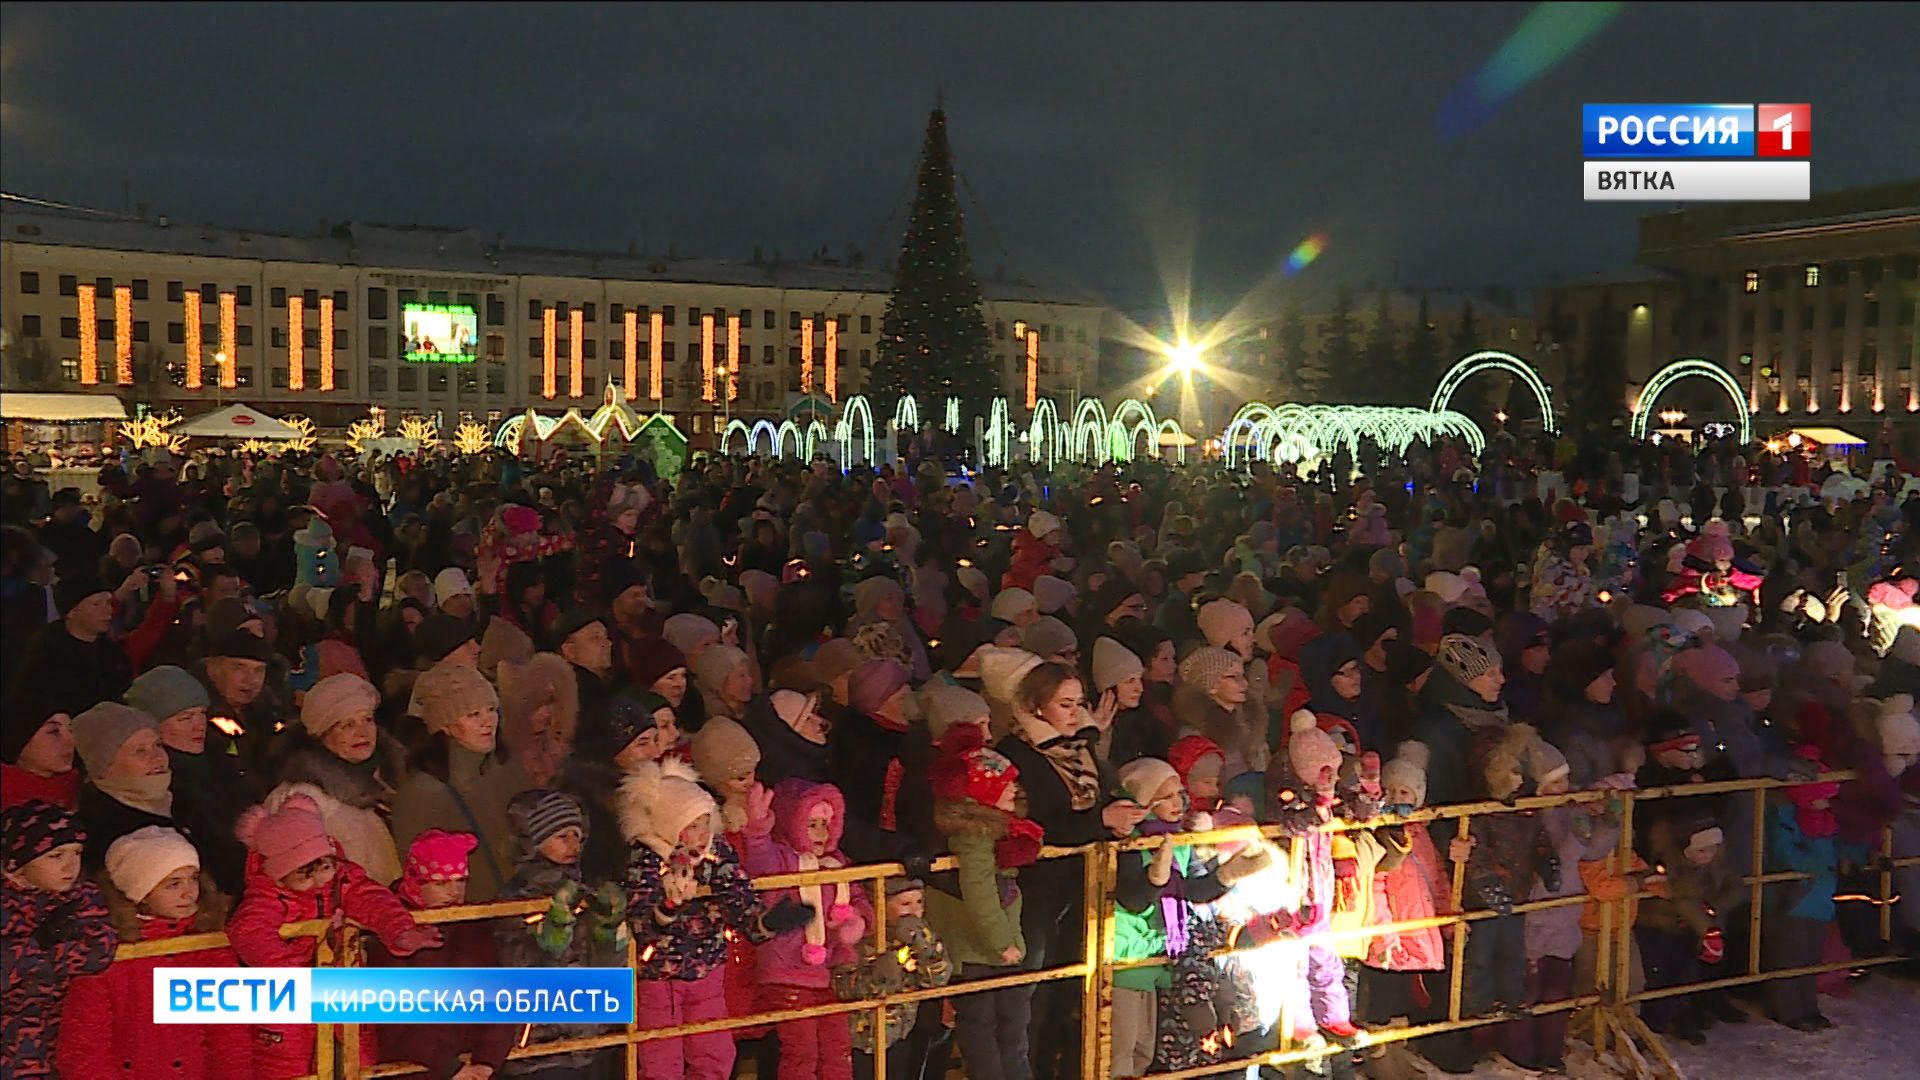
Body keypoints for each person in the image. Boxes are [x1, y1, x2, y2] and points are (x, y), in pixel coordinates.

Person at [226, 793, 439, 1079]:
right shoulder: (266, 897)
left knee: (357, 1062)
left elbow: (372, 899)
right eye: (303, 874)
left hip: (342, 993)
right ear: (278, 874)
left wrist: (399, 929)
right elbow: (250, 931)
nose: (319, 881)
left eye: (324, 867)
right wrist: (297, 976)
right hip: (288, 1005)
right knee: (289, 1066)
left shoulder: (343, 879)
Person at [57, 826, 251, 1080]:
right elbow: (85, 1050)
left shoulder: (207, 946)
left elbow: (230, 1039)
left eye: (193, 878)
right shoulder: (106, 955)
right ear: (140, 893)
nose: (189, 892)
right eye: (173, 884)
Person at [389, 660, 529, 902]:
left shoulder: (510, 773)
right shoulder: (422, 794)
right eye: (473, 714)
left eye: (491, 709)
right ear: (445, 725)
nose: (488, 721)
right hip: (467, 924)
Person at [1, 799, 118, 1080]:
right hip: (12, 1052)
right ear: (18, 863)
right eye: (56, 856)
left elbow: (100, 951)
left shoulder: (83, 896)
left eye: (76, 853)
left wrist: (29, 954)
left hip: (68, 1043)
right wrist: (42, 944)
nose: (71, 865)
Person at [265, 672, 406, 885]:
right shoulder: (302, 798)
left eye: (368, 720)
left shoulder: (389, 782)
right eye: (347, 725)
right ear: (323, 733)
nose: (363, 733)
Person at [1, 692, 81, 812]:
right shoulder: (9, 802)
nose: (70, 741)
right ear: (20, 742)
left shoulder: (76, 789)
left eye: (70, 730)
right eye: (54, 732)